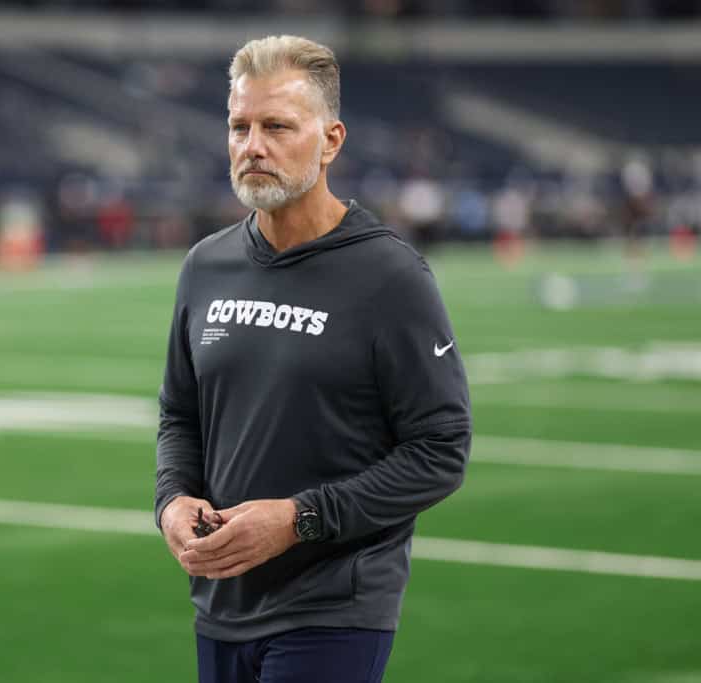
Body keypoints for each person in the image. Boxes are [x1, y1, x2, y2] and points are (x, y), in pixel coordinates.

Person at [155, 36, 471, 683]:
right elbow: (180, 416)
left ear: (330, 140)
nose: (252, 146)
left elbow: (441, 448)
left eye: (276, 126)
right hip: (220, 600)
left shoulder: (391, 276)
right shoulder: (204, 266)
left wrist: (299, 518)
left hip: (334, 606)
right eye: (239, 126)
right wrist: (171, 500)